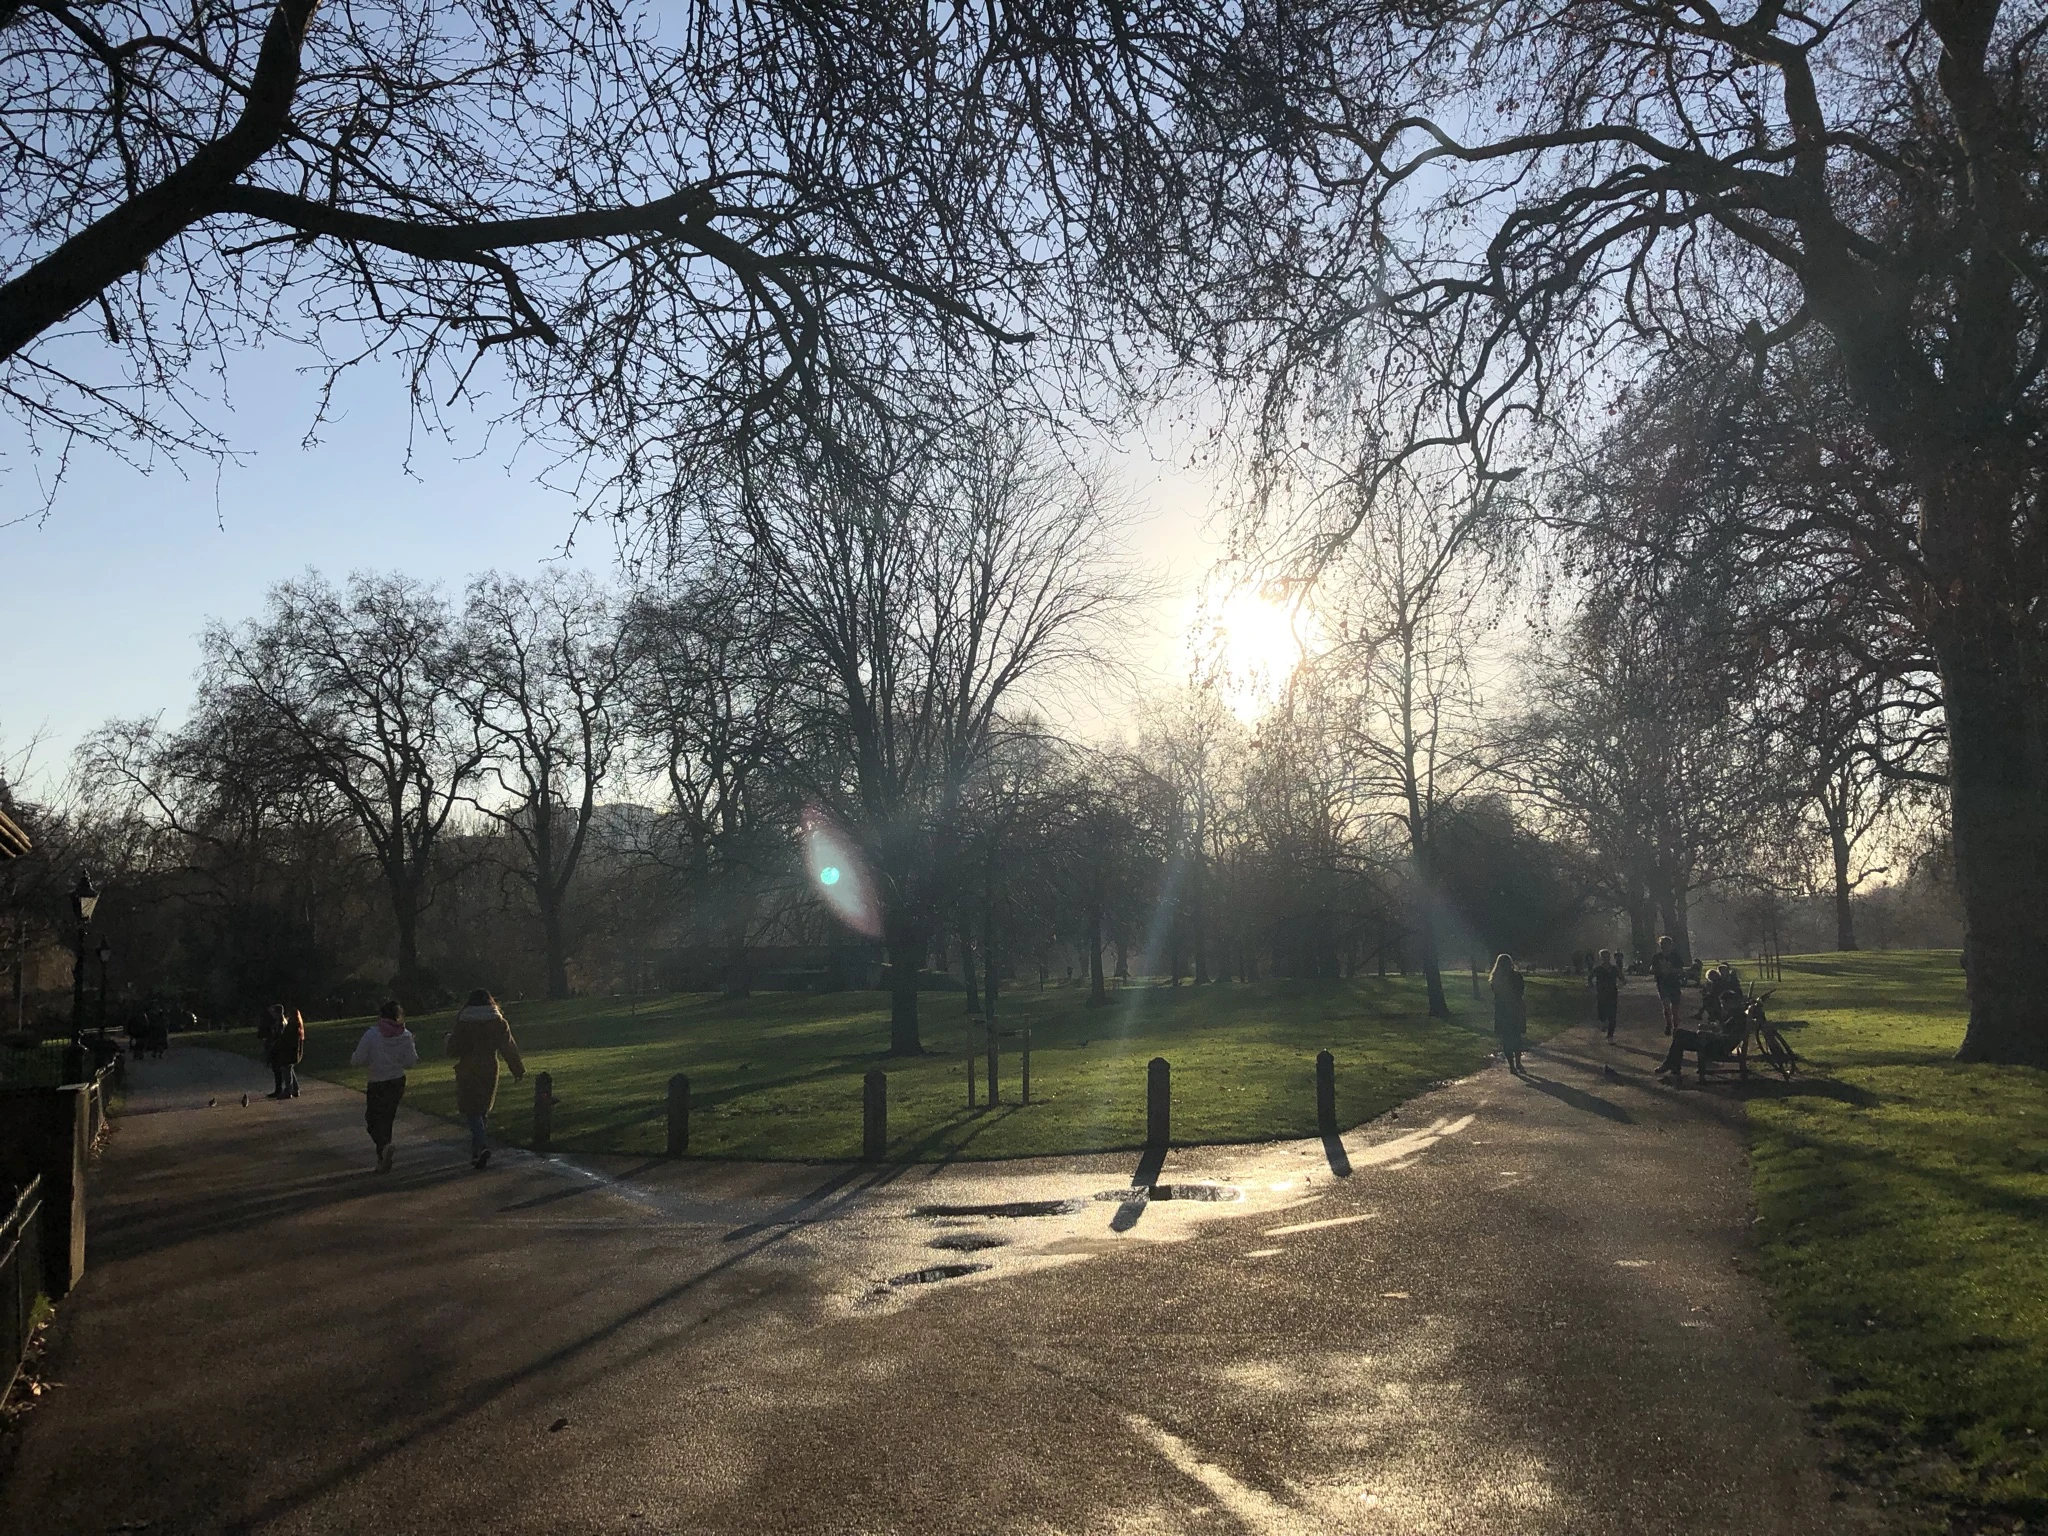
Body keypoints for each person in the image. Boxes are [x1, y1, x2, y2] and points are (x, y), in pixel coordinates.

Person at [446, 989, 525, 1170]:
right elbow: (508, 1047)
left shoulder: (463, 1022)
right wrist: (517, 1069)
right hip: (489, 1067)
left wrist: (448, 1040)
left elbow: (453, 1049)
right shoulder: (498, 1022)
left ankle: (480, 1146)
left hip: (468, 1067)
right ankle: (477, 1152)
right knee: (482, 1109)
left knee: (471, 1110)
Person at [350, 1000, 418, 1173]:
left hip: (377, 1082)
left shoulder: (372, 1034)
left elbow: (358, 1059)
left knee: (372, 1120)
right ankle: (383, 1156)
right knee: (387, 1119)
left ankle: (384, 1146)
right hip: (397, 1081)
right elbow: (410, 1062)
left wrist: (356, 1059)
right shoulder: (405, 1035)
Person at [1490, 953, 1528, 1075]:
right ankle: (1518, 1063)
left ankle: (1512, 1065)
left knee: (1506, 1040)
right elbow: (1521, 991)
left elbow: (1496, 993)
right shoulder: (1516, 976)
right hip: (1515, 1009)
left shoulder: (1496, 978)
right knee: (1517, 1038)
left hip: (1502, 1011)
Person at [262, 1003, 304, 1099]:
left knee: (287, 1071)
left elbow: (284, 1038)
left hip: (288, 1051)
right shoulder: (296, 1026)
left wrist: (276, 1044)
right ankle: (295, 1089)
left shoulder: (291, 1026)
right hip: (291, 1051)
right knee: (290, 1070)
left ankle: (288, 1090)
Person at [1649, 935, 1686, 1036]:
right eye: (1662, 944)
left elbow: (1681, 970)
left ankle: (1676, 1026)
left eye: (1666, 944)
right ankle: (1668, 1024)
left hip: (1674, 983)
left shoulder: (1675, 957)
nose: (1664, 946)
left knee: (1675, 1008)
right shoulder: (1656, 957)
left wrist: (1672, 970)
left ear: (1670, 945)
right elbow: (1652, 969)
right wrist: (1658, 970)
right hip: (1662, 984)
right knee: (1666, 1006)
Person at [1589, 948, 1623, 1041]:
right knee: (1601, 1011)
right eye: (1603, 957)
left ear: (1610, 957)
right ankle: (1603, 1022)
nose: (1605, 958)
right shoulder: (1598, 969)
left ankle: (1610, 1035)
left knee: (1612, 1015)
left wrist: (1620, 985)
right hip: (1601, 993)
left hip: (1612, 993)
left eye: (1607, 956)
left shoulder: (1614, 969)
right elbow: (1590, 978)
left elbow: (1622, 979)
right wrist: (1592, 987)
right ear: (1601, 958)